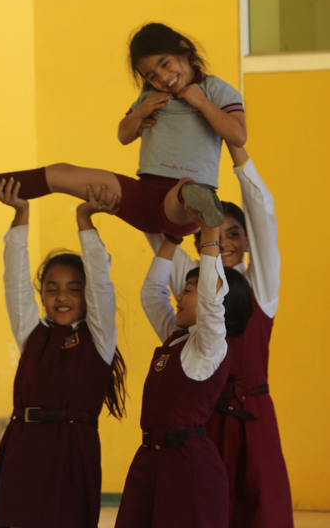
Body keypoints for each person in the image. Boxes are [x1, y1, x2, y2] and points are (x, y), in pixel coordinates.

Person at [0, 23, 247, 234]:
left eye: (165, 63)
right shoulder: (152, 95)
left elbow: (238, 135)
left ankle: (204, 209)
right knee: (61, 172)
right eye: (150, 75)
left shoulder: (217, 91)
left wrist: (201, 103)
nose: (162, 77)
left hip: (183, 207)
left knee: (189, 188)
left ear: (183, 49)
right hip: (142, 192)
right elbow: (123, 135)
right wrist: (138, 115)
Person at [146, 144, 293, 528]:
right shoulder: (192, 285)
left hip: (254, 420)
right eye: (216, 232)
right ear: (198, 241)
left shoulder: (261, 287)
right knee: (204, 513)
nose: (224, 240)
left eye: (235, 233)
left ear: (247, 242)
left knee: (263, 511)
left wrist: (238, 153)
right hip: (202, 422)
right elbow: (157, 229)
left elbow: (263, 217)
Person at [0, 180, 127, 528]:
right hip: (22, 450)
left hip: (71, 453)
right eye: (52, 289)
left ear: (87, 295)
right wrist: (21, 214)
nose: (61, 297)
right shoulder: (32, 334)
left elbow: (101, 282)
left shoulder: (99, 337)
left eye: (73, 289)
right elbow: (14, 280)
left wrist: (84, 220)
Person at [115, 207, 254, 528]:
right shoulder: (176, 339)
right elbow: (152, 294)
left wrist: (209, 235)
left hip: (187, 469)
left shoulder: (209, 346)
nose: (178, 295)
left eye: (188, 290)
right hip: (151, 461)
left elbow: (210, 301)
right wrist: (171, 240)